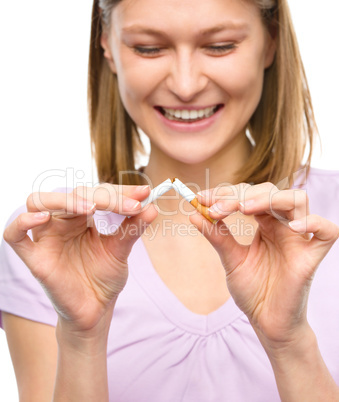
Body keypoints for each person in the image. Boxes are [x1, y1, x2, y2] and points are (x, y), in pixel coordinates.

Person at [1, 0, 339, 400]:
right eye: (149, 48)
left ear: (270, 42)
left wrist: (290, 344)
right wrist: (81, 339)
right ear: (106, 45)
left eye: (220, 45)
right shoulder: (49, 240)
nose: (185, 84)